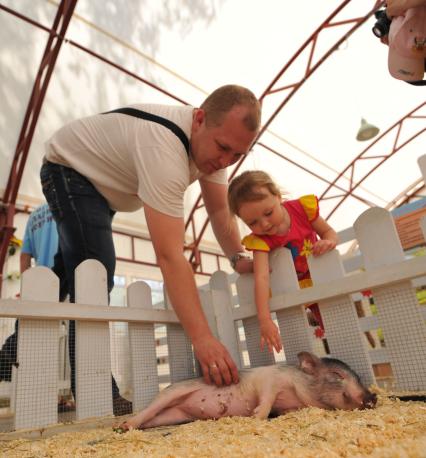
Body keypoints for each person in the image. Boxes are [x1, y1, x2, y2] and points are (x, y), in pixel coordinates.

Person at [40, 85, 261, 415]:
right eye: (223, 149)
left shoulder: (215, 149)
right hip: (69, 168)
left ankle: (7, 351)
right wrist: (203, 339)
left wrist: (238, 258)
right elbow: (170, 256)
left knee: (60, 282)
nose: (224, 162)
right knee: (94, 271)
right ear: (199, 119)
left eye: (237, 156)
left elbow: (218, 212)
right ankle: (92, 388)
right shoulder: (164, 146)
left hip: (103, 187)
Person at [227, 170, 338, 354]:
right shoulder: (259, 241)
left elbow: (329, 233)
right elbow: (261, 278)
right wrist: (265, 320)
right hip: (289, 292)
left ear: (278, 196)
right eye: (253, 223)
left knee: (334, 326)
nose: (264, 225)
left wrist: (329, 241)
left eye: (268, 213)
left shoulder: (303, 209)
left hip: (319, 281)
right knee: (301, 340)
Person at [0, 203, 68, 382]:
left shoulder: (34, 215)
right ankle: (8, 355)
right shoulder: (66, 203)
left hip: (39, 280)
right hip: (63, 276)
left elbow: (25, 256)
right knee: (66, 339)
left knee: (35, 334)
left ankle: (9, 357)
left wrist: (27, 286)